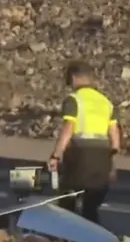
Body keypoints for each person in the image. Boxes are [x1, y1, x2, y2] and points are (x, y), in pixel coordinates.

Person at [48, 61, 120, 224]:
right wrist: (112, 166)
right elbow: (115, 135)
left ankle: (66, 236)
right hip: (102, 158)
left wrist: (56, 155)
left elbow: (69, 128)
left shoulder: (74, 100)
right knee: (91, 207)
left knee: (67, 198)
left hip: (80, 155)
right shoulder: (106, 102)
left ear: (74, 78)